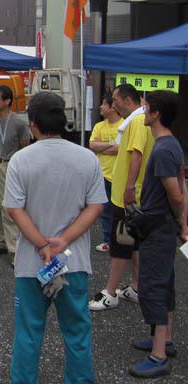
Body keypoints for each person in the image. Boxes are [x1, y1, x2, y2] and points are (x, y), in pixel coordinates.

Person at [3, 92, 106, 384]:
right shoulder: (86, 158)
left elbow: (14, 209)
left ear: (32, 123)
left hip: (31, 263)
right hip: (73, 262)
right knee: (77, 333)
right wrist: (62, 241)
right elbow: (95, 205)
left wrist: (42, 244)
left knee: (28, 333)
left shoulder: (21, 160)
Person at [128, 91, 185, 378]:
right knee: (165, 282)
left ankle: (159, 355)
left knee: (153, 286)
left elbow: (175, 194)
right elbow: (181, 186)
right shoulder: (171, 144)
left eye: (146, 107)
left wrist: (179, 219)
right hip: (163, 225)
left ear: (156, 114)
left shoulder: (162, 149)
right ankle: (166, 340)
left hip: (157, 226)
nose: (143, 111)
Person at [89, 84, 154, 311]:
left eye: (115, 100)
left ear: (127, 100)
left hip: (125, 198)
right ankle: (136, 287)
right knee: (133, 245)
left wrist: (129, 188)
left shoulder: (137, 121)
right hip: (129, 195)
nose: (113, 105)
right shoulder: (137, 120)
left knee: (120, 245)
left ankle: (110, 293)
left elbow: (136, 155)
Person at [0, 85, 31, 260]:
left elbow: (24, 147)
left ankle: (15, 249)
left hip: (7, 164)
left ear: (7, 101)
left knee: (8, 206)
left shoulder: (19, 122)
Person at [89, 94, 123, 252]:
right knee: (105, 210)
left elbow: (120, 149)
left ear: (113, 107)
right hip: (102, 175)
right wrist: (110, 144)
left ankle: (120, 240)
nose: (101, 107)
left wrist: (102, 147)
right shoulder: (99, 126)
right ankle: (108, 240)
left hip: (118, 175)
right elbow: (92, 145)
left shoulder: (124, 125)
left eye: (104, 104)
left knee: (120, 210)